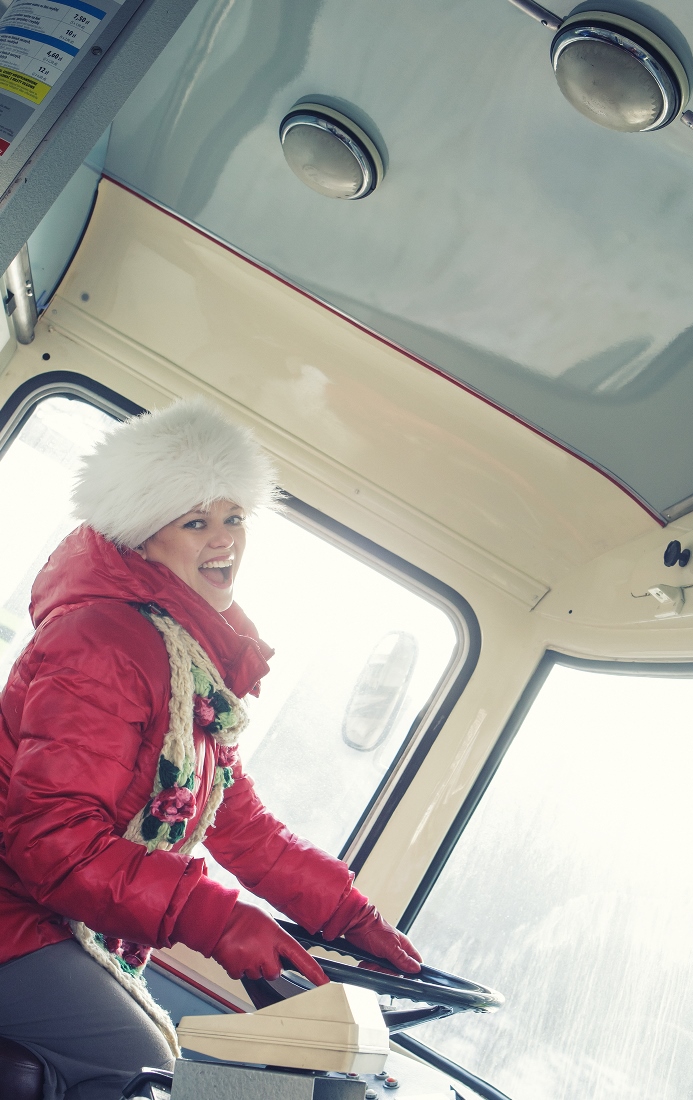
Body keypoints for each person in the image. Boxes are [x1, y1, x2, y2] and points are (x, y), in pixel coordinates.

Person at [0, 398, 421, 1100]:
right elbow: (54, 844)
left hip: (50, 916)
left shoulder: (187, 657)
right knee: (152, 1074)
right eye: (196, 521)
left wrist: (350, 916)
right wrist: (219, 921)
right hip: (13, 911)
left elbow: (240, 823)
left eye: (233, 517)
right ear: (142, 536)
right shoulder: (101, 641)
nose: (223, 540)